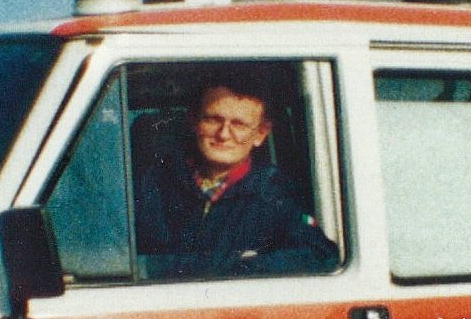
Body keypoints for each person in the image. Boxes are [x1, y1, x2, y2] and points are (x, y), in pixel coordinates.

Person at [133, 82, 339, 278]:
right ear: (194, 122)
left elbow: (321, 257)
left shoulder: (275, 194)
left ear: (260, 134)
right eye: (213, 120)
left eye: (239, 125)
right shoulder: (152, 183)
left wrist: (245, 269)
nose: (223, 134)